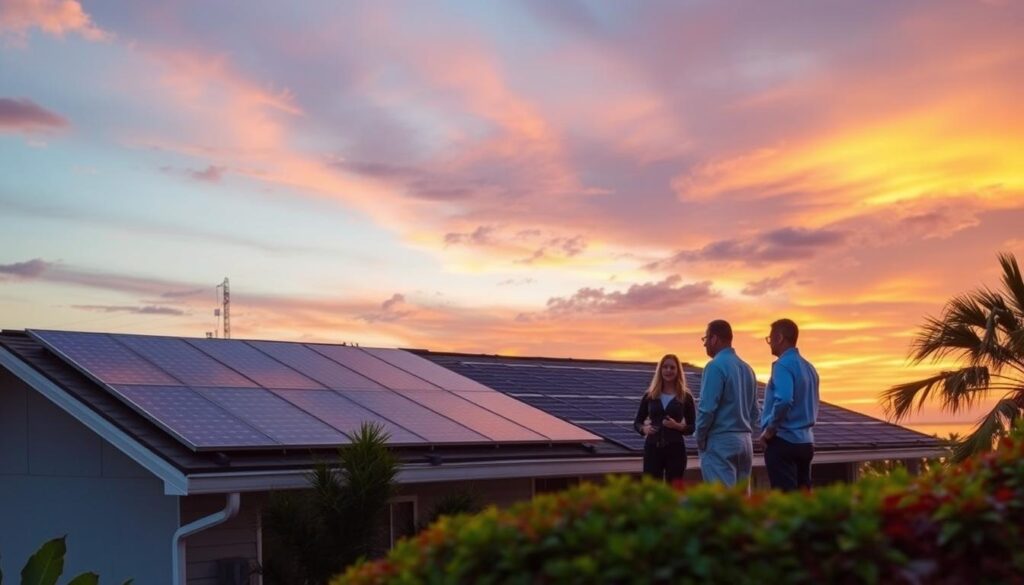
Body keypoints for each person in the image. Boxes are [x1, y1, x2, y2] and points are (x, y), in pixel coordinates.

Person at [694, 319, 760, 491]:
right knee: (741, 503)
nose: (705, 344)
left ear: (715, 338)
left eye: (706, 339)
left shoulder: (715, 366)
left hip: (720, 440)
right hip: (745, 442)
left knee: (722, 503)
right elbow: (755, 412)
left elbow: (707, 408)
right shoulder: (747, 368)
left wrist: (700, 437)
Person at [759, 318, 820, 492]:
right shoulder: (809, 368)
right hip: (806, 442)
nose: (769, 343)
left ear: (779, 337)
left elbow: (784, 399)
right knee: (803, 499)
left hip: (783, 441)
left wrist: (769, 431)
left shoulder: (783, 365)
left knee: (786, 501)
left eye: (770, 339)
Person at [633, 353, 696, 483]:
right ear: (660, 370)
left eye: (672, 367)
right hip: (652, 448)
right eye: (665, 367)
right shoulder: (650, 395)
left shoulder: (686, 397)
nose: (668, 370)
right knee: (651, 489)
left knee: (673, 490)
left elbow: (692, 428)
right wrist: (644, 430)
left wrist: (677, 426)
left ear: (678, 371)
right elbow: (637, 422)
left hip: (676, 449)